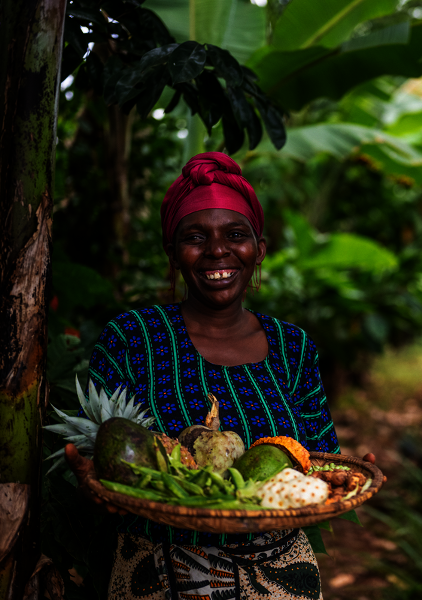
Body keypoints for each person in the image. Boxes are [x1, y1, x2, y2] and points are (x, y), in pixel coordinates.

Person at [64, 152, 368, 600]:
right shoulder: (133, 337)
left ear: (259, 250)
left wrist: (345, 476)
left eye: (235, 235)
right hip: (159, 575)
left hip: (281, 578)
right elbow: (109, 459)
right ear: (172, 253)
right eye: (195, 237)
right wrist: (89, 480)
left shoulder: (292, 346)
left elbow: (319, 459)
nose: (217, 251)